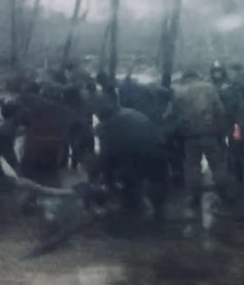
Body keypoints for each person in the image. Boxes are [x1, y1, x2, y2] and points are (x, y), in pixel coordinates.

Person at [92, 100, 170, 226]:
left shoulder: (108, 124)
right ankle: (157, 212)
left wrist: (103, 177)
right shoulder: (131, 113)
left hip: (140, 154)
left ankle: (132, 208)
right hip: (159, 149)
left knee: (127, 175)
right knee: (156, 180)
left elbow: (106, 155)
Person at [165, 69, 231, 215]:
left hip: (189, 135)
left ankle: (191, 197)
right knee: (217, 165)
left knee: (191, 167)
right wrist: (223, 131)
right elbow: (219, 110)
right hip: (209, 133)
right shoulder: (209, 88)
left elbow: (172, 114)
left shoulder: (179, 92)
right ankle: (224, 195)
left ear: (185, 79)